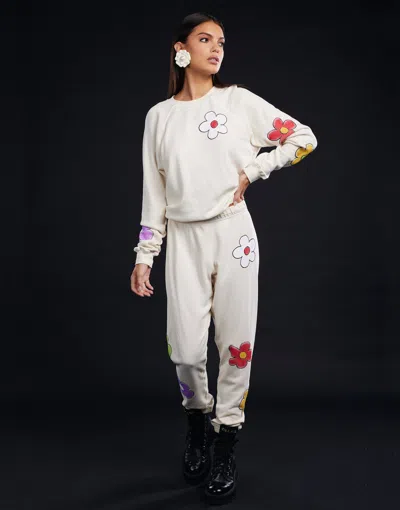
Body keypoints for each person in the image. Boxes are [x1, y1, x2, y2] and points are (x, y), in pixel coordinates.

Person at [130, 11, 318, 504]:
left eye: (221, 41)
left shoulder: (237, 102)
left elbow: (304, 137)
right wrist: (146, 253)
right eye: (205, 39)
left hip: (234, 236)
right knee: (187, 351)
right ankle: (197, 421)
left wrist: (253, 170)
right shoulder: (159, 116)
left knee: (236, 344)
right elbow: (154, 190)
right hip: (183, 240)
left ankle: (225, 441)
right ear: (181, 50)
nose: (216, 48)